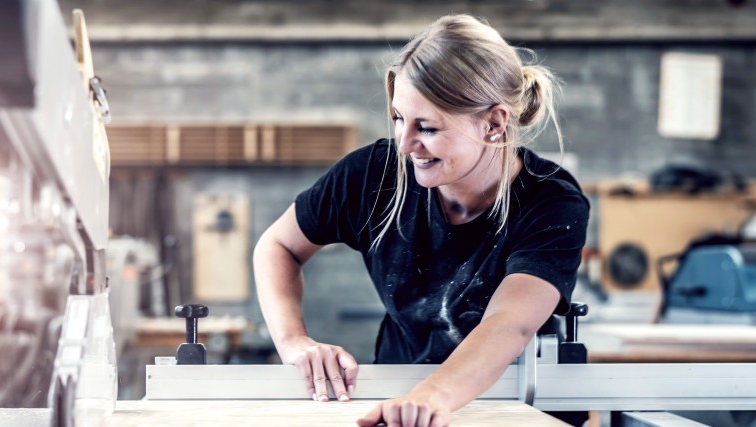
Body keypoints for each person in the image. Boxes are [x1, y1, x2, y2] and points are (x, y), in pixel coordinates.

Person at [252, 14, 589, 427]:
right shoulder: (371, 175)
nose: (406, 144)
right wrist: (294, 343)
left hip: (517, 404)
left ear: (495, 124)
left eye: (427, 128)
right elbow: (278, 246)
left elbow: (509, 324)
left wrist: (433, 395)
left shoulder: (551, 202)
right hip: (403, 397)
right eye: (398, 119)